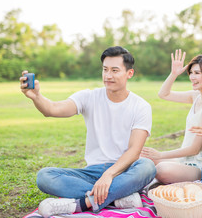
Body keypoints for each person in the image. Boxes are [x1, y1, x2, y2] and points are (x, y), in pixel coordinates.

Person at [20, 46, 156, 217]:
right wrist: (36, 96)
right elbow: (52, 109)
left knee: (147, 166)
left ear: (129, 73)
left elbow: (135, 152)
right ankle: (117, 198)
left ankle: (83, 204)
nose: (108, 75)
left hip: (124, 171)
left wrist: (109, 175)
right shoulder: (89, 97)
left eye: (115, 70)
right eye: (105, 70)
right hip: (91, 173)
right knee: (44, 176)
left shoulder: (141, 106)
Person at [140, 49, 202, 184]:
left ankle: (155, 183)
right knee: (141, 157)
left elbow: (194, 150)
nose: (192, 77)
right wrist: (174, 74)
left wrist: (160, 155)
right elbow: (163, 94)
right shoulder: (196, 96)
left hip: (199, 167)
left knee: (161, 169)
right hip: (184, 160)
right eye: (191, 73)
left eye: (197, 73)